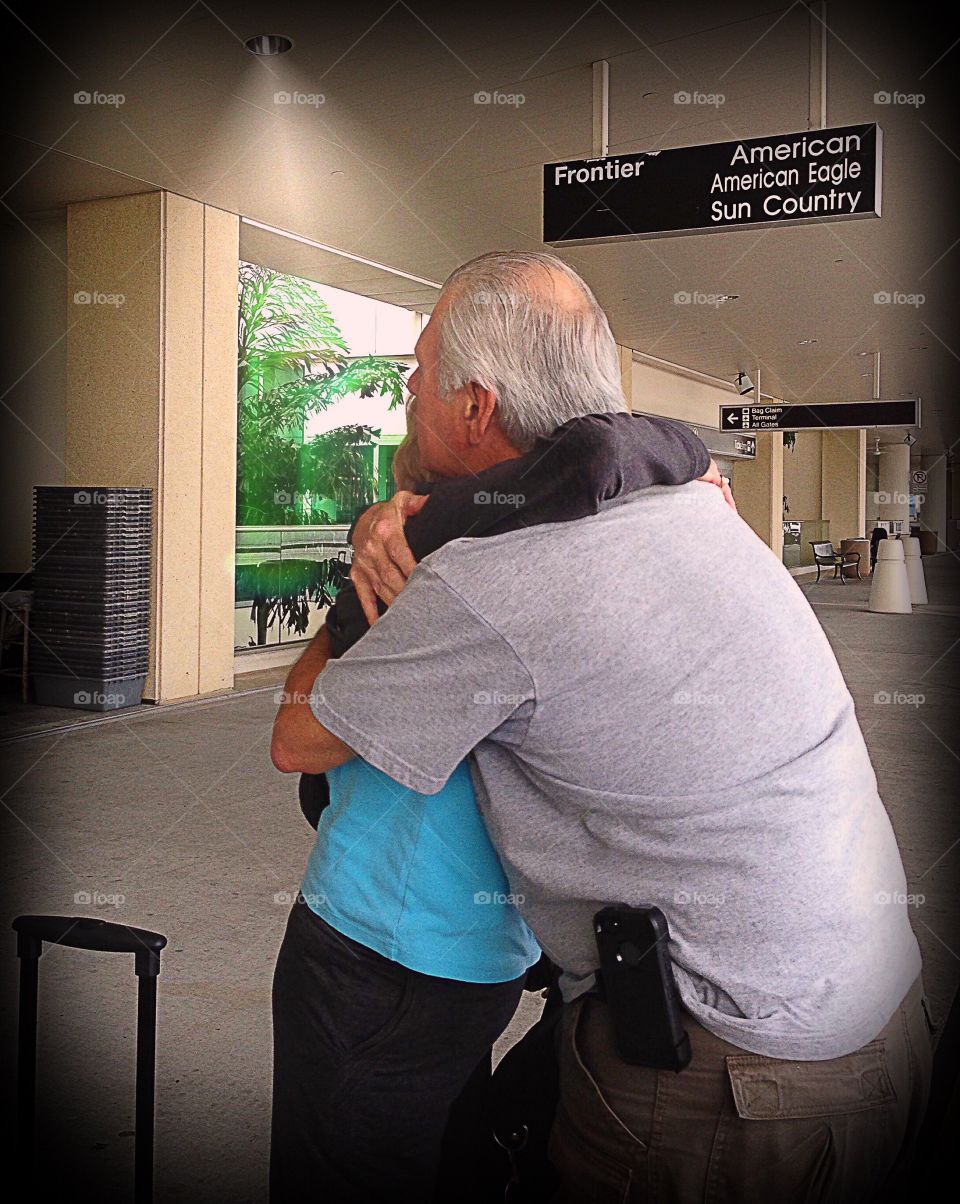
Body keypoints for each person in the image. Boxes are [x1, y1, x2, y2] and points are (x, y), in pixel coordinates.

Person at [273, 248, 932, 1203]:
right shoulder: (693, 503)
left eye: (418, 372)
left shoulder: (497, 579)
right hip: (872, 1013)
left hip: (738, 1082)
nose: (405, 392)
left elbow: (297, 737)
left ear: (473, 407)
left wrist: (376, 570)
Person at [270, 374, 720, 1200]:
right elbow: (663, 458)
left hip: (376, 944)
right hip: (489, 954)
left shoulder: (442, 579)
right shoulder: (596, 547)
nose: (412, 386)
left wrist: (349, 610)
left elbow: (294, 740)